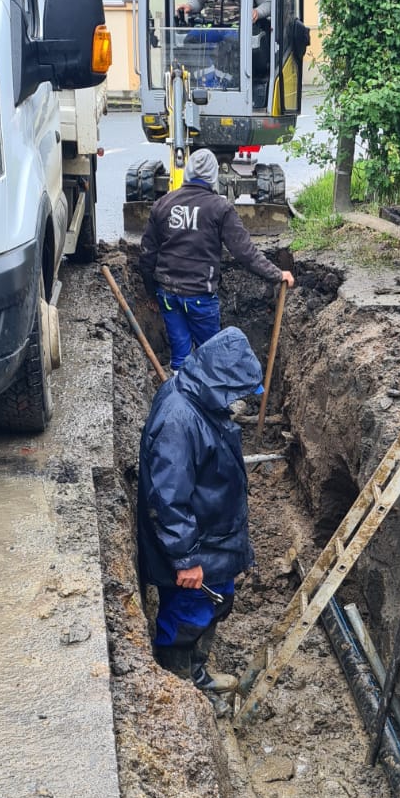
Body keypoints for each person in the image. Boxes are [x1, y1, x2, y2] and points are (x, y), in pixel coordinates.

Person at [138, 327, 263, 696]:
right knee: (191, 611)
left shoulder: (197, 396)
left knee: (215, 600)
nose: (238, 401)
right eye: (237, 392)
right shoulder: (179, 420)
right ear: (220, 380)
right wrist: (186, 559)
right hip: (197, 546)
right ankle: (182, 685)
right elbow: (168, 498)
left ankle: (196, 669)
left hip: (212, 536)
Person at [138, 148, 294, 371]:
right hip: (200, 295)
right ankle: (211, 402)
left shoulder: (163, 204)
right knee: (210, 358)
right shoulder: (220, 208)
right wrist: (277, 274)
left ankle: (181, 400)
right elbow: (245, 252)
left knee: (181, 357)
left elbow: (147, 254)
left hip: (168, 295)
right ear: (213, 176)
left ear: (188, 172)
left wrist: (151, 292)